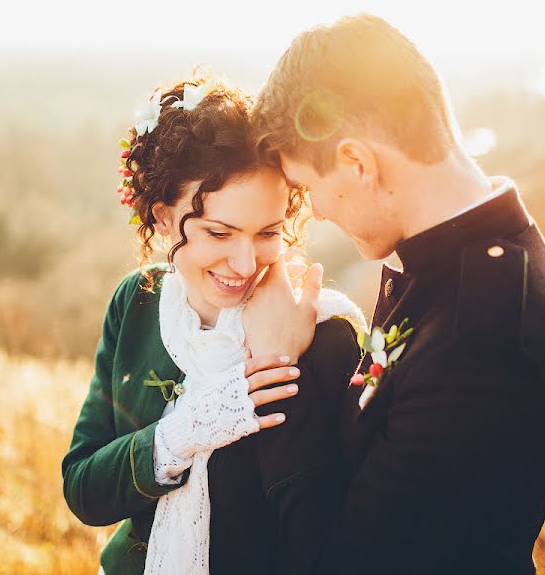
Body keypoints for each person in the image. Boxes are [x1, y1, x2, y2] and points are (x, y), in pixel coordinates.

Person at [241, 13, 545, 574]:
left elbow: (341, 562)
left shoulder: (481, 345)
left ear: (357, 162)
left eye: (310, 188)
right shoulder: (459, 263)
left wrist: (276, 365)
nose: (319, 213)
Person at [61, 76, 365, 575]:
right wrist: (185, 430)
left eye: (267, 232)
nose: (244, 264)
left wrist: (282, 360)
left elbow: (335, 540)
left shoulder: (326, 335)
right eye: (219, 232)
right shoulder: (136, 304)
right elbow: (83, 488)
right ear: (162, 218)